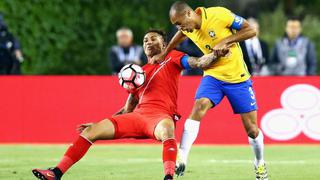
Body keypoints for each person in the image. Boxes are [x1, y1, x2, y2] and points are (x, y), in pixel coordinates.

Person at [32, 29, 228, 180]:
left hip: (160, 117)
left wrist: (215, 55)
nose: (149, 42)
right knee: (90, 132)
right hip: (138, 117)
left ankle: (168, 177)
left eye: (153, 38)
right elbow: (128, 109)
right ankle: (55, 173)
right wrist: (99, 123)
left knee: (168, 131)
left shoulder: (173, 57)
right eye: (145, 40)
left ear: (164, 43)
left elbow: (198, 63)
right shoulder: (138, 72)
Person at [151, 1, 268, 179]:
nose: (180, 28)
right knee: (199, 107)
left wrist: (226, 40)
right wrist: (164, 53)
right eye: (176, 25)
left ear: (189, 14)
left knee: (252, 129)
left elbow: (251, 30)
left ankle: (260, 163)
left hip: (238, 79)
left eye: (180, 23)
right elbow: (180, 35)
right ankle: (182, 156)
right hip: (213, 75)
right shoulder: (188, 27)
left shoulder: (219, 14)